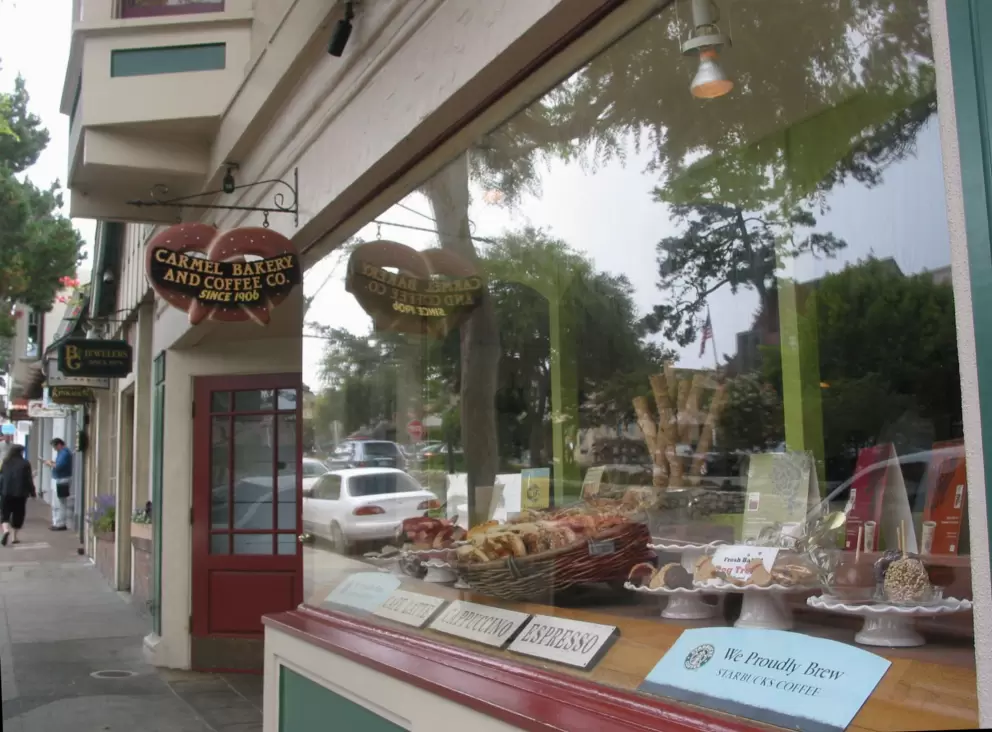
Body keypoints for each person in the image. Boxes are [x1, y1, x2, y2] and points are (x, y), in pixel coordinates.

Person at [0, 444, 36, 546]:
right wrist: (32, 492)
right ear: (21, 452)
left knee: (4, 513)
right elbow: (29, 480)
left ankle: (6, 530)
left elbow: (1, 476)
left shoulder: (5, 462)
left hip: (6, 492)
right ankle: (14, 537)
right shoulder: (25, 463)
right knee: (18, 514)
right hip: (20, 493)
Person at [44, 438, 73, 531]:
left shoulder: (64, 453)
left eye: (55, 446)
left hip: (62, 479)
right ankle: (57, 522)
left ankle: (60, 523)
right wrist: (52, 463)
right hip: (60, 478)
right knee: (59, 502)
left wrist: (50, 464)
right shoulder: (62, 453)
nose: (54, 449)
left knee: (60, 502)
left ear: (59, 444)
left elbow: (59, 466)